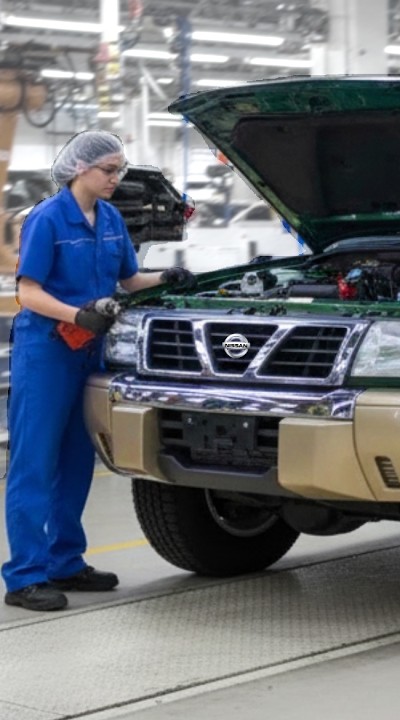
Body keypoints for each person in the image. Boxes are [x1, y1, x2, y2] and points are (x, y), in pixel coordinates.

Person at [4, 131, 196, 612]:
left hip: (90, 349)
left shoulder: (110, 219)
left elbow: (129, 279)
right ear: (79, 169)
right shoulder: (47, 219)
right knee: (34, 462)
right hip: (46, 351)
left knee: (75, 461)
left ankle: (65, 561)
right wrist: (76, 315)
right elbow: (28, 292)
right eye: (109, 170)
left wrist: (167, 277)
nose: (116, 179)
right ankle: (25, 575)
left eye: (119, 170)